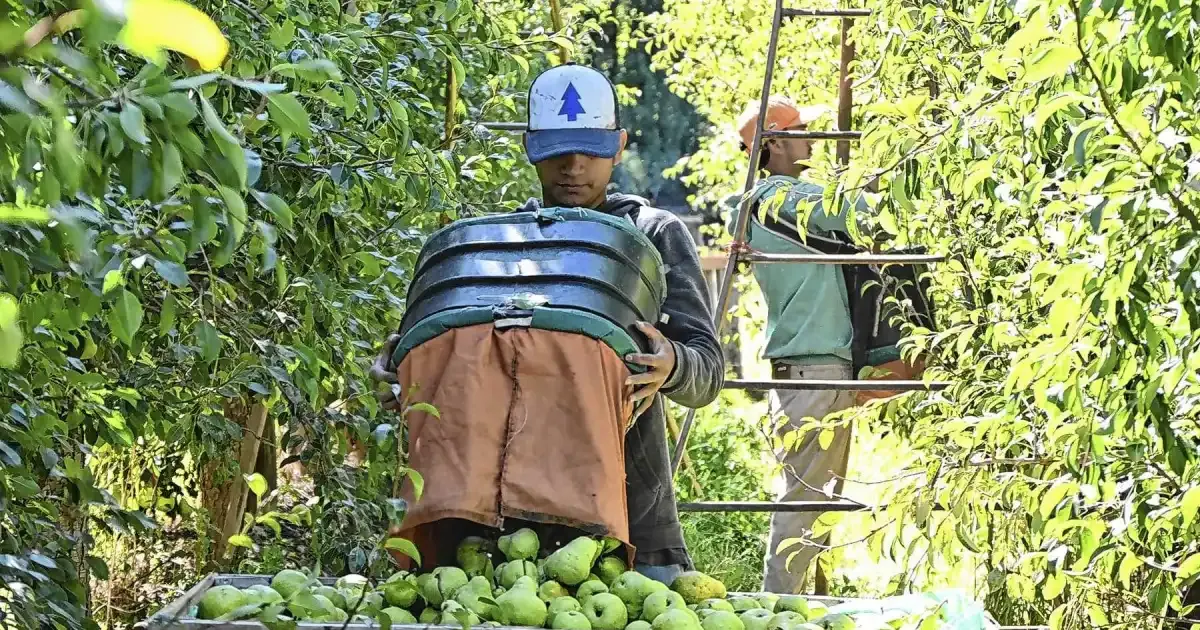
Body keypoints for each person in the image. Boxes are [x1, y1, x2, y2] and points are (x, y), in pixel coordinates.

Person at [372, 63, 724, 585]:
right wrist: (402, 369)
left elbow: (709, 370)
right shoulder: (501, 244)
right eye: (556, 151)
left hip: (629, 516)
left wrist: (673, 364)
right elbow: (451, 346)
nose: (573, 166)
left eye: (589, 149)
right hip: (494, 527)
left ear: (619, 145)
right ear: (531, 148)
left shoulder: (652, 234)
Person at [723, 95, 876, 594]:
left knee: (813, 498)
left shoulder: (772, 202)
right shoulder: (776, 199)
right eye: (803, 130)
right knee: (804, 501)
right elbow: (857, 214)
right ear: (777, 142)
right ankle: (778, 609)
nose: (813, 138)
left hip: (812, 367)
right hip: (814, 368)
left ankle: (790, 604)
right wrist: (897, 168)